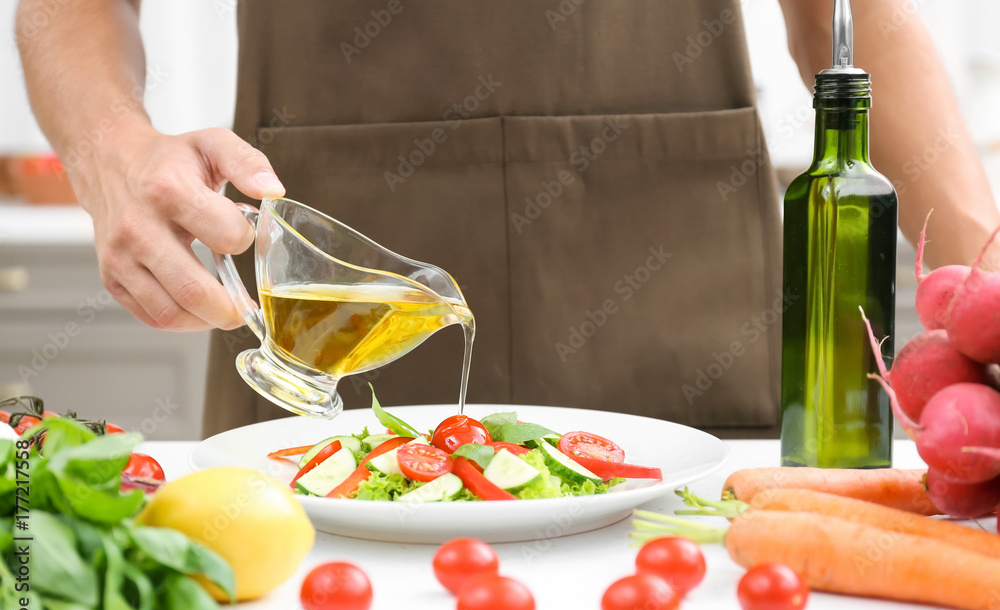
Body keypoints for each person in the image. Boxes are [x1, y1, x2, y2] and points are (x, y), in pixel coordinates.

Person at [17, 0, 1000, 439]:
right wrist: (110, 151)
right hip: (322, 325)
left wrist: (984, 284)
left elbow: (851, 5)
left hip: (676, 306)